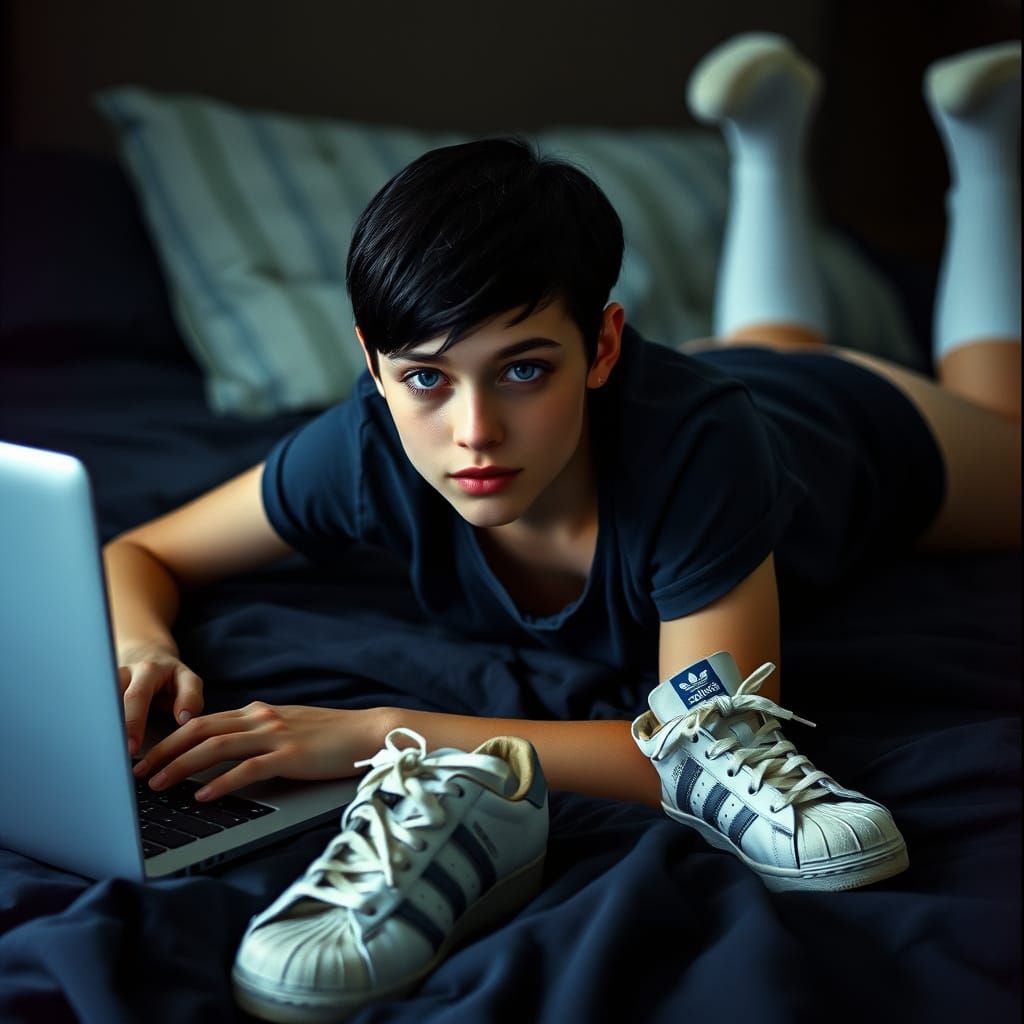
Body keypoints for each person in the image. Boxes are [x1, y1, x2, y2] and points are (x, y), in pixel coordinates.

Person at [105, 34, 1021, 893]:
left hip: (854, 428)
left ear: (602, 346)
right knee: (763, 343)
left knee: (1001, 422)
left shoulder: (699, 454)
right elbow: (137, 555)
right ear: (374, 365)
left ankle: (987, 154)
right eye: (425, 376)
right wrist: (143, 644)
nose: (474, 432)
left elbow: (701, 756)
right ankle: (765, 146)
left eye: (524, 370)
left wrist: (383, 736)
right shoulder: (364, 445)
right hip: (727, 377)